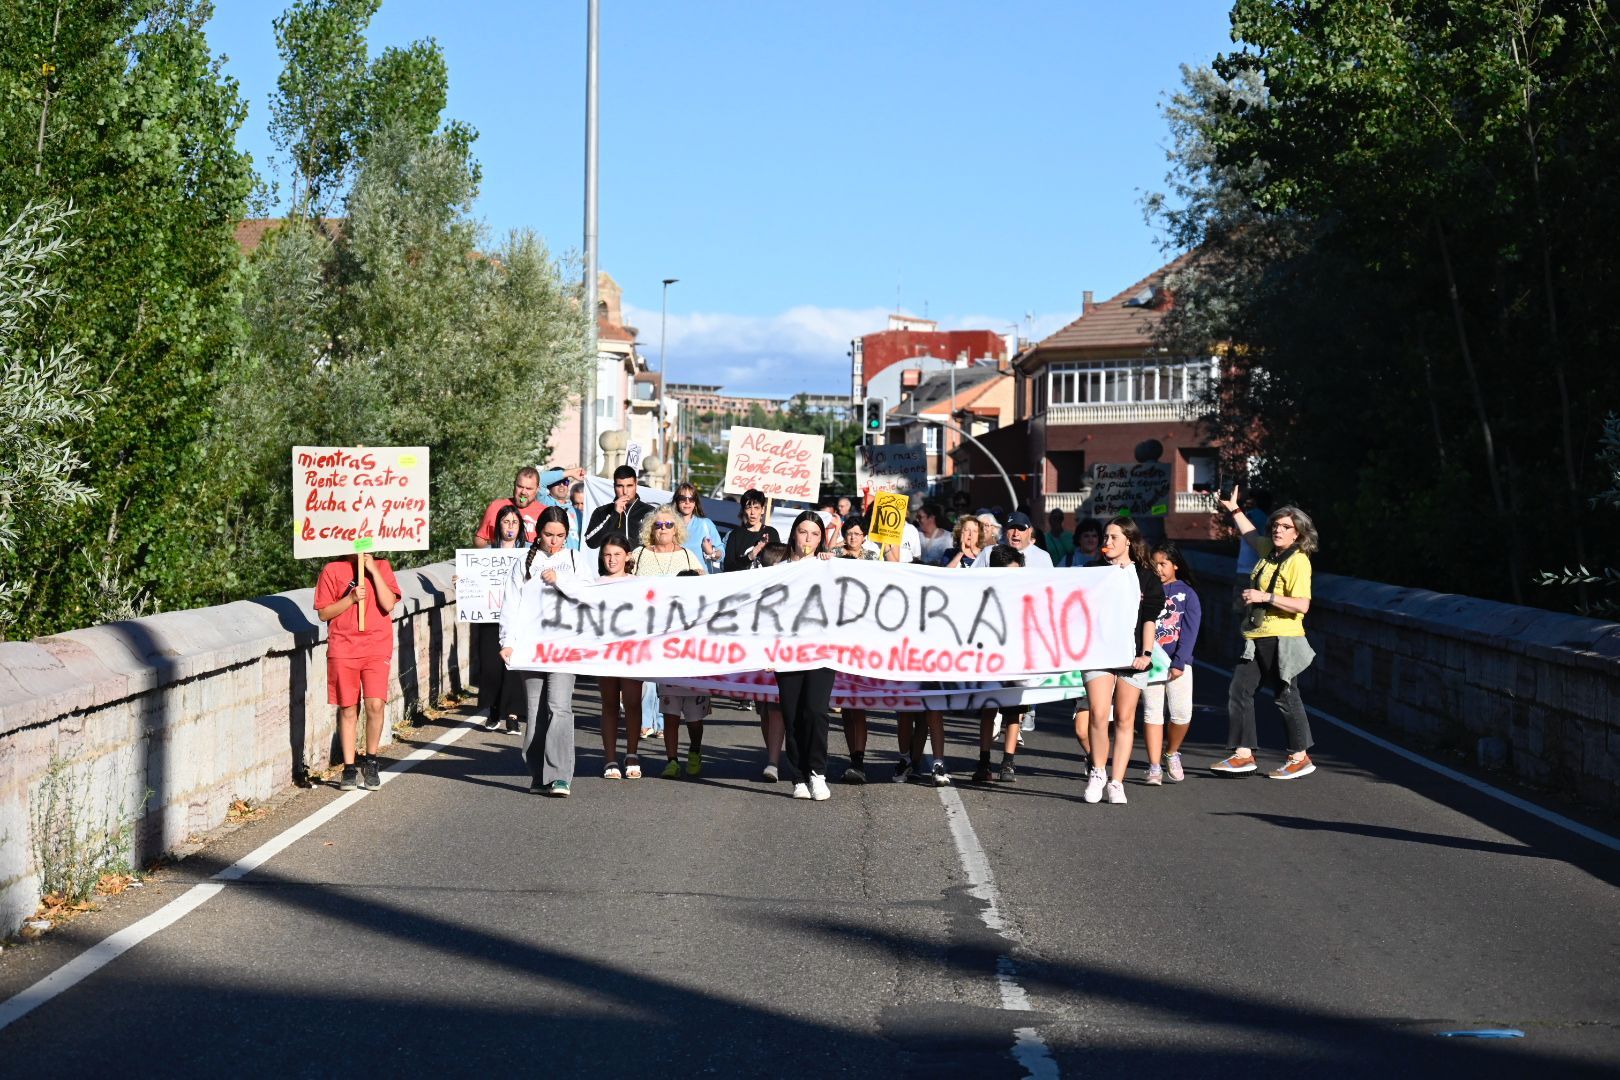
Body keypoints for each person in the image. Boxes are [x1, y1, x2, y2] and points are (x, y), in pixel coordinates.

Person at [1214, 488, 1318, 780]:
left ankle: (1300, 757)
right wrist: (1234, 509)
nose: (1278, 529)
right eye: (1275, 525)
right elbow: (1249, 535)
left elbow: (1302, 604)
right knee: (1239, 690)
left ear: (1297, 533)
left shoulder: (1298, 560)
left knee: (1286, 695)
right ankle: (1243, 754)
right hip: (1257, 635)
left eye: (1286, 527)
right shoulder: (1269, 553)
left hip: (1282, 637)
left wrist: (1265, 597)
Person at [499, 507, 594, 795]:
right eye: (549, 535)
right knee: (536, 710)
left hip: (565, 645)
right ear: (538, 533)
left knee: (559, 707)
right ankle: (539, 774)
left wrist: (560, 581)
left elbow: (589, 594)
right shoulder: (524, 563)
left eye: (560, 536)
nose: (554, 542)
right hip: (531, 647)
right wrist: (507, 642)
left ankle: (560, 775)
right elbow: (511, 603)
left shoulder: (575, 560)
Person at [1079, 517, 1164, 805]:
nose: (1107, 542)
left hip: (1133, 655)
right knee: (1099, 713)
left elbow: (1149, 619)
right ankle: (1098, 772)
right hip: (1099, 653)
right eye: (1105, 536)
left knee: (1126, 719)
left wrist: (1147, 654)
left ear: (1129, 540)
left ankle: (1117, 782)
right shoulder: (1092, 571)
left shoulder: (1146, 576)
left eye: (1114, 537)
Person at [314, 550, 401, 791]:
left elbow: (388, 603)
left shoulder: (382, 566)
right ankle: (349, 766)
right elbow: (323, 613)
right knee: (348, 707)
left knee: (375, 704)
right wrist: (350, 599)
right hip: (343, 646)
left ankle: (371, 761)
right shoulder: (332, 570)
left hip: (376, 645)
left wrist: (372, 570)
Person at [631, 505, 707, 777]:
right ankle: (672, 759)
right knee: (670, 707)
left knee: (694, 716)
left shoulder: (688, 556)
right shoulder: (638, 556)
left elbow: (706, 589)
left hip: (685, 643)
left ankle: (695, 749)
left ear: (678, 529)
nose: (663, 529)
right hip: (652, 637)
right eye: (658, 525)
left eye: (668, 525)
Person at [777, 511, 836, 801]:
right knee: (792, 715)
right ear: (794, 535)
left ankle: (817, 772)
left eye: (814, 533)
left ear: (821, 538)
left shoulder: (827, 567)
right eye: (803, 532)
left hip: (820, 649)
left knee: (815, 711)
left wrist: (831, 565)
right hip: (787, 651)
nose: (808, 539)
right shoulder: (780, 568)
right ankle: (798, 776)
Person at [1141, 541, 1201, 785]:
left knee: (1181, 713)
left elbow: (1190, 630)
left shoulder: (1187, 593)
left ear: (1175, 565)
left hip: (1179, 663)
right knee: (1152, 713)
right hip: (1152, 662)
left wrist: (1180, 661)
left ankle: (1171, 752)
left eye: (1163, 564)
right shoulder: (1145, 590)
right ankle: (1154, 766)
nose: (1158, 569)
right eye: (1154, 564)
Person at [474, 503, 527, 733]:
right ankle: (494, 709)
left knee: (513, 666)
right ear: (499, 526)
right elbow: (474, 579)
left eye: (515, 522)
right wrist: (463, 580)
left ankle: (513, 715)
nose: (510, 527)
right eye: (506, 522)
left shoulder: (527, 554)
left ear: (520, 527)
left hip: (516, 619)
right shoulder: (487, 554)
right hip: (490, 618)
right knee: (491, 667)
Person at [594, 534, 642, 778]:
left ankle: (632, 753)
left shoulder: (638, 583)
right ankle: (610, 758)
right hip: (606, 651)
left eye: (617, 554)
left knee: (633, 701)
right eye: (607, 555)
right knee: (610, 703)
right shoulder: (594, 584)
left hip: (632, 651)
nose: (611, 560)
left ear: (627, 557)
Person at [754, 541, 791, 781]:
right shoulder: (757, 589)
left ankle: (773, 762)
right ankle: (772, 752)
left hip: (783, 657)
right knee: (764, 711)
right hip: (759, 657)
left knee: (776, 709)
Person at [584, 465, 655, 549]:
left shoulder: (650, 512)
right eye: (620, 486)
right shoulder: (602, 511)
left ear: (636, 485)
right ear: (614, 486)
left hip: (641, 562)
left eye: (629, 486)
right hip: (611, 562)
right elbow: (591, 542)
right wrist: (614, 514)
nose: (625, 491)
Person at [474, 466, 543, 547]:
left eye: (528, 488)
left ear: (537, 489)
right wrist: (494, 548)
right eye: (520, 486)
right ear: (514, 484)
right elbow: (479, 539)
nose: (523, 492)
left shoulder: (544, 513)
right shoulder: (496, 507)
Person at [722, 488, 780, 571]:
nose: (752, 512)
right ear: (743, 510)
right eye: (748, 508)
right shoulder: (735, 535)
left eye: (756, 508)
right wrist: (750, 556)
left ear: (762, 510)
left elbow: (779, 563)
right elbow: (728, 568)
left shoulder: (771, 533)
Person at [970, 511, 1053, 568]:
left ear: (1029, 532)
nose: (1015, 533)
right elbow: (973, 579)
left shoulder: (1043, 557)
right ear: (1006, 531)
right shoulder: (988, 552)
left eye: (1021, 528)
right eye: (1012, 528)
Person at [673, 481, 723, 572]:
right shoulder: (668, 524)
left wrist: (711, 553)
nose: (687, 502)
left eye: (691, 499)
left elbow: (721, 552)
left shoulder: (705, 524)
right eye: (682, 498)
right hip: (675, 580)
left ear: (695, 502)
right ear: (677, 501)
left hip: (700, 580)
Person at [1233, 488, 1273, 577]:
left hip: (1246, 566)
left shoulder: (1251, 514)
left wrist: (1235, 507)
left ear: (1256, 501)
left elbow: (1238, 525)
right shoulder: (1270, 520)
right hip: (1261, 567)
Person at [565, 481, 587, 550]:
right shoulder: (565, 513)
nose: (580, 507)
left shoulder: (597, 516)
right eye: (576, 503)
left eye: (583, 503)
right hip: (570, 557)